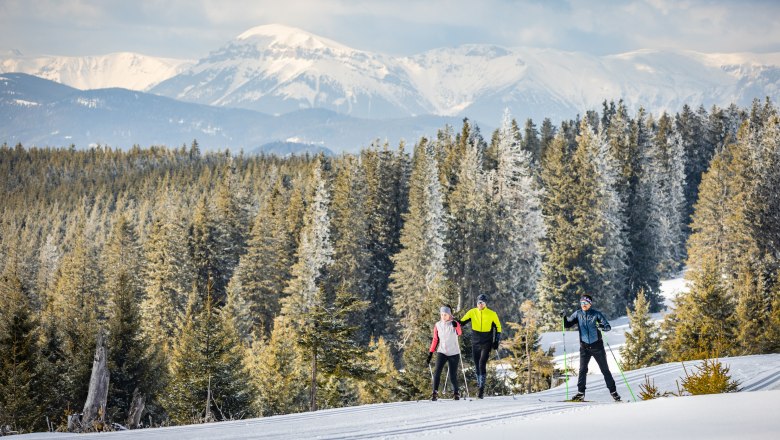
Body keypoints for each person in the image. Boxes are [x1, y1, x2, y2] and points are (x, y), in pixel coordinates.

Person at [562, 294, 621, 402]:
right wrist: (564, 317)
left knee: (605, 370)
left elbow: (607, 326)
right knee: (582, 370)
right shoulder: (578, 314)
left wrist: (602, 326)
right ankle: (580, 393)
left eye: (586, 303)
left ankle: (614, 392)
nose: (583, 305)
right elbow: (567, 325)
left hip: (597, 347)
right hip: (584, 347)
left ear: (590, 304)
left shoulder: (596, 314)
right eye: (582, 303)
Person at [458, 294, 501, 399]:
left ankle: (481, 389)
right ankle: (479, 385)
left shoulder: (492, 314)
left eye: (482, 302)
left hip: (487, 342)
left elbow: (498, 327)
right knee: (476, 365)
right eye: (478, 302)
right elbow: (462, 322)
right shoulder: (472, 312)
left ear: (485, 303)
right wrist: (455, 323)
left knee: (482, 363)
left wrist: (496, 341)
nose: (480, 304)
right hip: (475, 342)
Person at [426, 305, 462, 401]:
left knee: (452, 374)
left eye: (445, 314)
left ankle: (456, 393)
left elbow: (459, 333)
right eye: (442, 314)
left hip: (454, 352)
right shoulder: (437, 325)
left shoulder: (454, 323)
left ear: (449, 315)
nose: (443, 316)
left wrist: (456, 326)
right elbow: (435, 339)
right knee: (437, 372)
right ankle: (435, 392)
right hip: (442, 351)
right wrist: (430, 353)